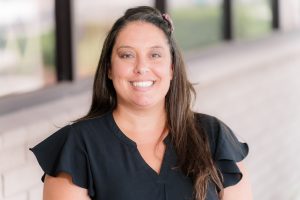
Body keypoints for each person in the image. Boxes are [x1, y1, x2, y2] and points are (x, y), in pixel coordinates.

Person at [30, 6, 252, 200]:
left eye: (155, 55)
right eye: (127, 55)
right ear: (109, 68)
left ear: (172, 68)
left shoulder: (213, 136)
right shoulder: (77, 147)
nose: (141, 67)